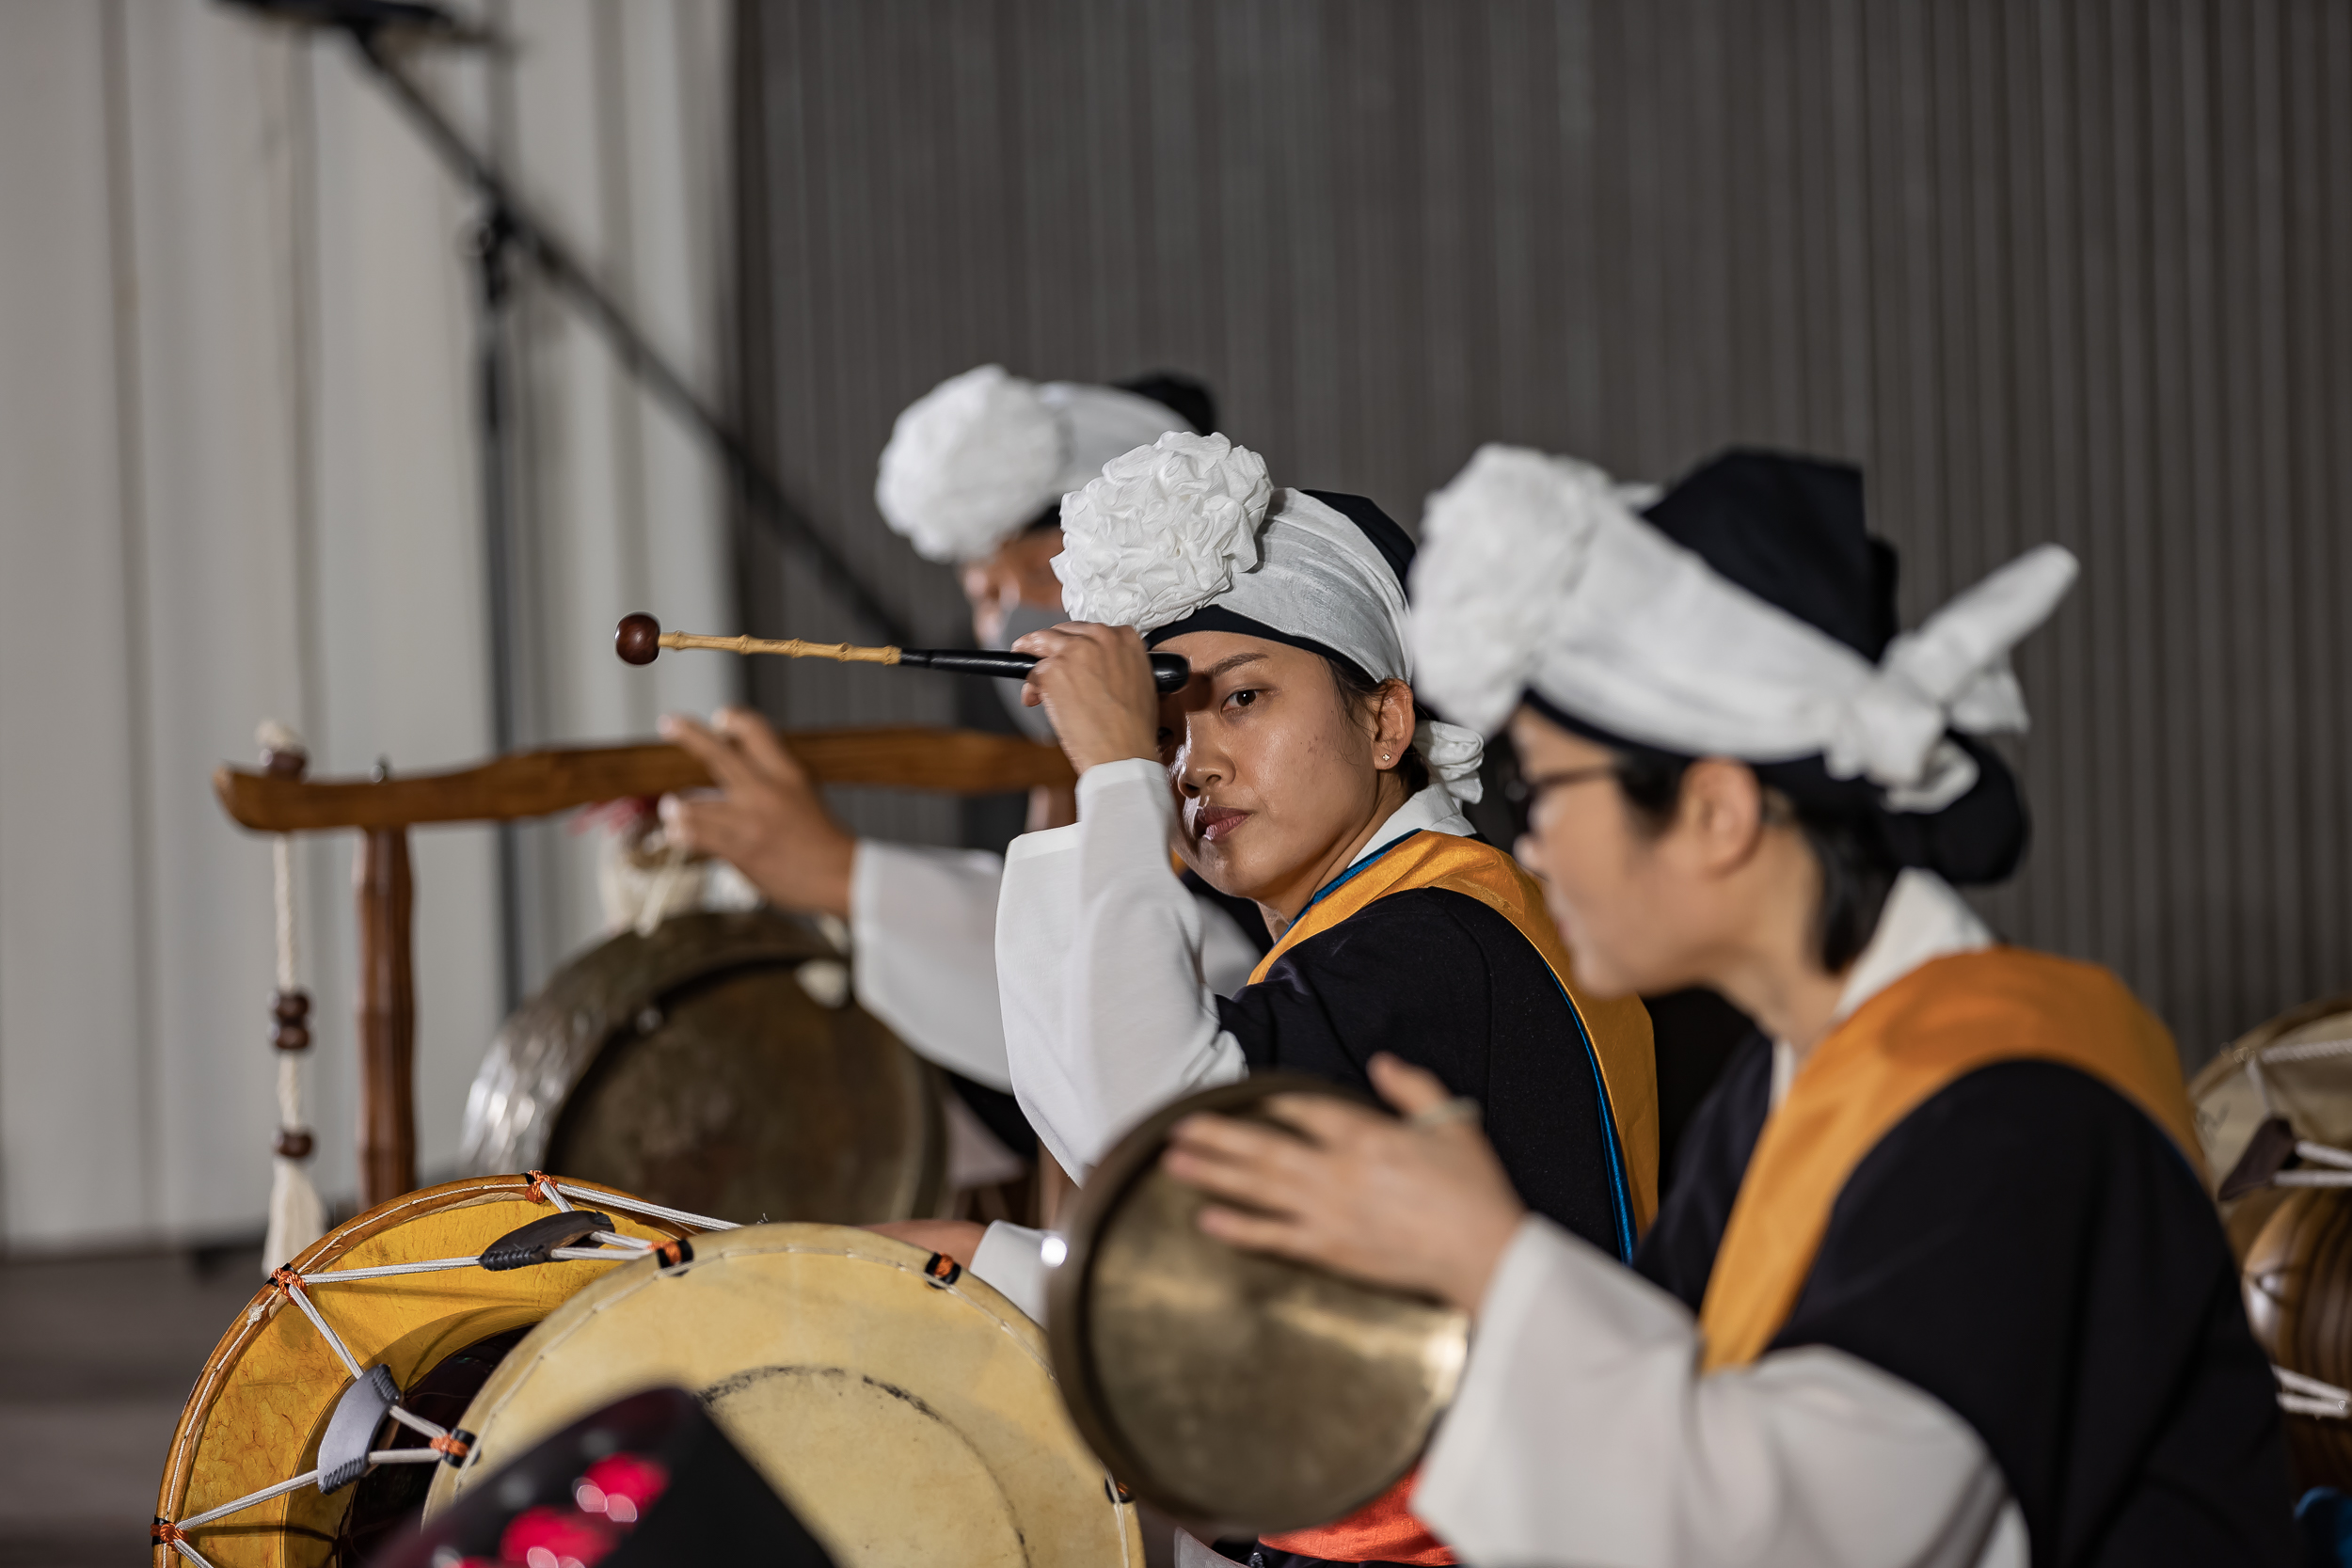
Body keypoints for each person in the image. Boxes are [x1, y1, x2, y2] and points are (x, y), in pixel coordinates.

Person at [1159, 446, 2296, 1567]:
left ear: (1716, 810)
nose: (1533, 839)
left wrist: (1487, 1257)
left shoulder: (2013, 1098)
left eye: (1546, 788)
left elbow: (1798, 1532)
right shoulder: (1785, 1077)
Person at [988, 431, 1661, 1568]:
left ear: (1386, 721)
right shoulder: (1383, 933)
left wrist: (1110, 778)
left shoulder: (1440, 938)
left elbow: (1149, 1135)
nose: (1192, 761)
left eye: (1242, 697)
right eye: (1162, 730)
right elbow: (1111, 1141)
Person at [658, 365, 1264, 1176]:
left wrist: (847, 876)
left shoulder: (1216, 726)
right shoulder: (1045, 758)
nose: (998, 625)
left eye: (1015, 585)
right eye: (983, 598)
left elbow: (1203, 991)